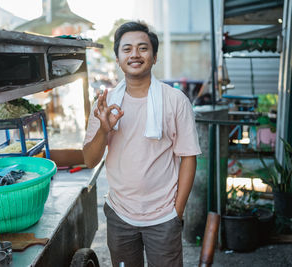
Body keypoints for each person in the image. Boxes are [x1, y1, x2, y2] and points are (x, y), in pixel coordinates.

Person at [83, 21, 201, 267]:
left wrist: (176, 213)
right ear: (117, 58)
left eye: (142, 48)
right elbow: (89, 160)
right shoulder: (105, 104)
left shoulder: (175, 101)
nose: (134, 54)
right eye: (127, 49)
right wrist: (105, 130)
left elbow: (188, 157)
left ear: (154, 57)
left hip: (164, 216)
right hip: (119, 214)